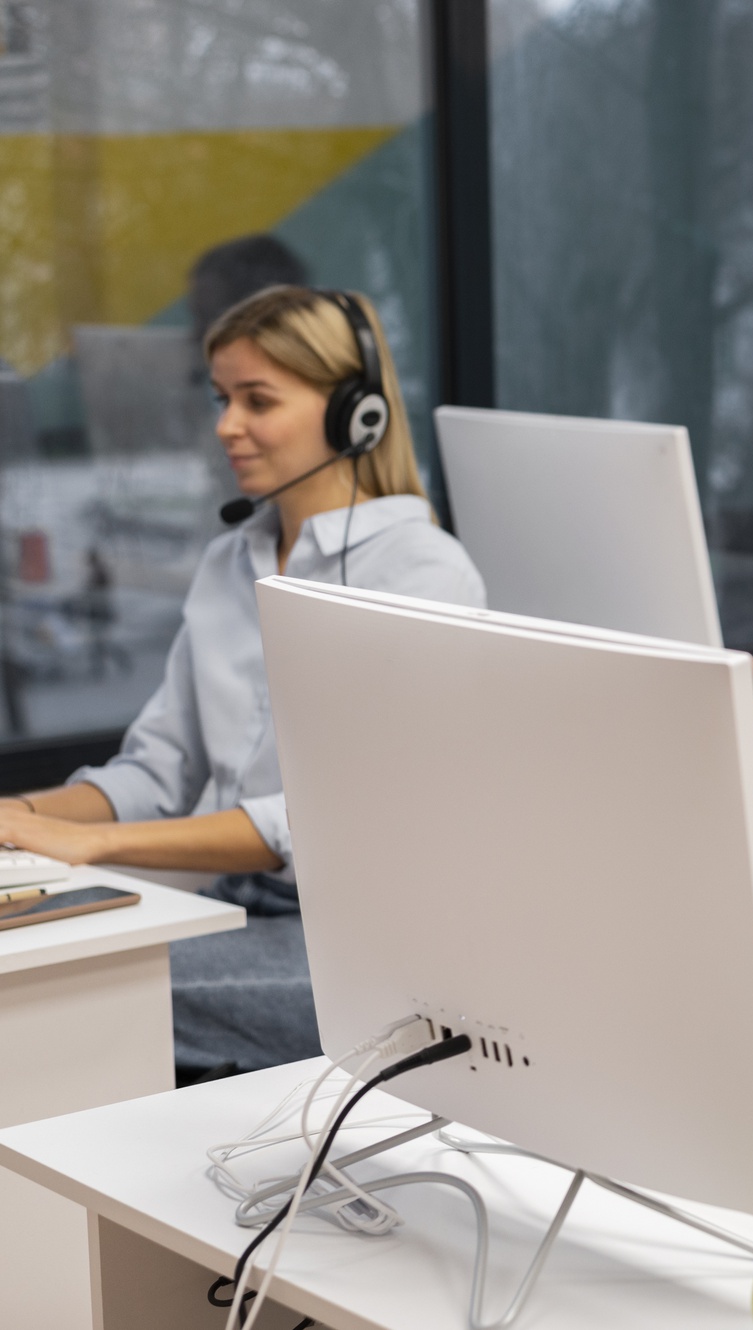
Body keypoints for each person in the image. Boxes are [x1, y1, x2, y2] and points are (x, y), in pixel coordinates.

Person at [0, 286, 484, 1080]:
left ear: (353, 413)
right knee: (47, 963)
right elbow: (158, 771)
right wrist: (22, 815)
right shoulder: (231, 564)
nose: (227, 426)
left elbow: (322, 823)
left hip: (357, 951)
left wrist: (94, 844)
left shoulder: (425, 576)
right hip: (228, 907)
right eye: (223, 398)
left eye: (258, 400)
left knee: (62, 993)